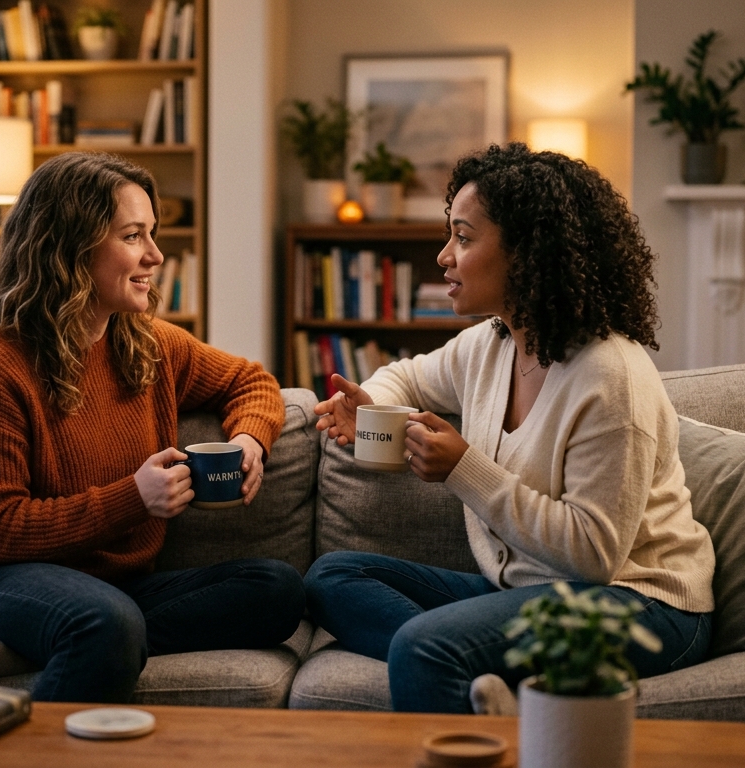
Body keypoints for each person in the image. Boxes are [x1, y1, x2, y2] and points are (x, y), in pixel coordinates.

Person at [304, 143, 716, 713]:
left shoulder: (609, 375)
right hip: (526, 592)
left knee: (424, 648)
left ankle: (444, 657)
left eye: (464, 238)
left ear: (527, 252)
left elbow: (594, 555)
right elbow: (408, 377)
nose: (445, 256)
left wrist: (463, 470)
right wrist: (370, 404)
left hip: (639, 603)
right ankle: (469, 665)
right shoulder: (492, 343)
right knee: (332, 578)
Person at [0, 153, 304, 703]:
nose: (156, 254)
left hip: (102, 586)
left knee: (277, 591)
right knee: (107, 623)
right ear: (71, 248)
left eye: (151, 234)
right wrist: (133, 499)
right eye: (132, 236)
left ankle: (42, 644)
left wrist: (249, 439)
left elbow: (251, 381)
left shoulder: (146, 343)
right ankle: (71, 648)